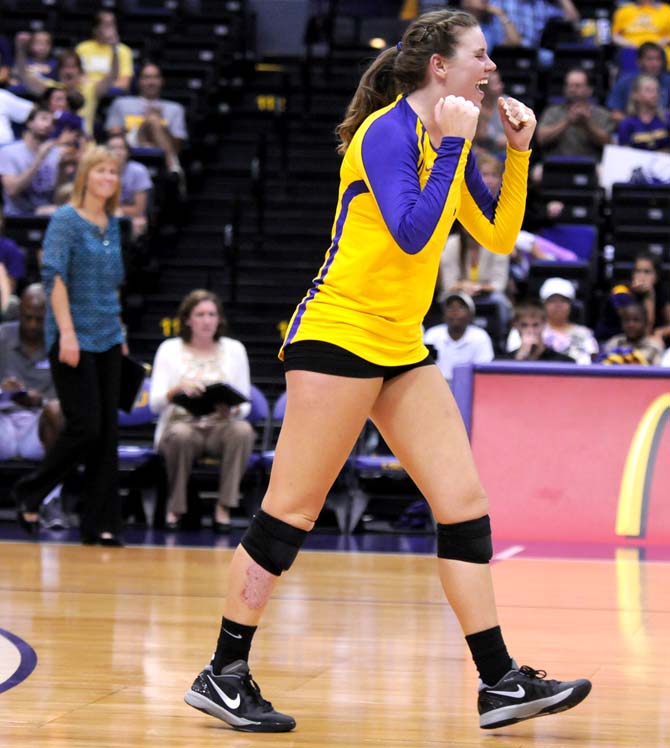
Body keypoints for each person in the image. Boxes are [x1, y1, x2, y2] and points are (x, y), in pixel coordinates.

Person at [183, 9, 590, 734]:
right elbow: (410, 236)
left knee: (463, 505)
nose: (491, 67)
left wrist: (516, 153)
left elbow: (495, 234)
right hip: (338, 337)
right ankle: (224, 671)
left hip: (400, 347)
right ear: (442, 67)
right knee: (290, 516)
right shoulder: (387, 133)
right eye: (479, 55)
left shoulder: (444, 139)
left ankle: (499, 682)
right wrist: (459, 147)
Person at [11, 145, 126, 546]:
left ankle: (99, 523)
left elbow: (113, 285)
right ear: (85, 176)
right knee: (85, 426)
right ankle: (31, 489)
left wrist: (122, 332)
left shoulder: (111, 223)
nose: (109, 178)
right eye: (102, 171)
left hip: (109, 336)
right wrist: (67, 333)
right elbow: (54, 277)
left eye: (114, 172)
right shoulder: (65, 219)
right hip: (72, 336)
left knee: (107, 432)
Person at [149, 290, 255, 531]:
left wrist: (233, 409)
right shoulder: (169, 349)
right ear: (187, 319)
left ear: (219, 319)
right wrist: (176, 390)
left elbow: (246, 403)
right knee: (181, 435)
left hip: (220, 424)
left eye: (212, 314)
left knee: (243, 430)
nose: (207, 320)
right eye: (200, 315)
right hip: (182, 423)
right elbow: (155, 403)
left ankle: (224, 508)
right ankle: (176, 509)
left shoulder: (235, 349)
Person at [0, 284, 62, 461]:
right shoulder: (2, 336)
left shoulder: (60, 344)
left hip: (39, 425)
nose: (32, 325)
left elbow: (69, 401)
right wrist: (3, 391)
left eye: (39, 319)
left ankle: (54, 486)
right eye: (28, 318)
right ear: (19, 312)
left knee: (55, 409)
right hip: (3, 422)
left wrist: (39, 399)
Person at [105, 62, 188, 174]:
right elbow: (113, 134)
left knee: (154, 120)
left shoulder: (175, 108)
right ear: (139, 81)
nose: (151, 82)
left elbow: (177, 147)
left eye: (155, 77)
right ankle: (173, 168)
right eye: (146, 77)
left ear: (162, 81)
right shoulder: (121, 103)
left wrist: (160, 126)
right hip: (131, 141)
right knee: (152, 119)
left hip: (162, 146)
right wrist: (146, 124)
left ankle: (170, 166)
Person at [506, 277, 598, 364]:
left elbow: (594, 361)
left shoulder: (584, 333)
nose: (558, 305)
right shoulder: (526, 329)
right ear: (543, 304)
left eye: (563, 300)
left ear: (571, 304)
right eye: (552, 301)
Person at [536, 68, 612, 160]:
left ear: (589, 90)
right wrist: (567, 121)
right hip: (556, 163)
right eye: (569, 85)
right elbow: (541, 138)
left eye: (577, 86)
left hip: (591, 164)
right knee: (537, 173)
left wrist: (586, 123)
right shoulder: (552, 111)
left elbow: (608, 143)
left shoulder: (602, 114)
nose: (572, 89)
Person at [0, 106, 61, 217]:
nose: (48, 124)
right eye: (43, 119)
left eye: (52, 122)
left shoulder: (56, 153)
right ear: (29, 123)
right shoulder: (8, 152)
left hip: (48, 215)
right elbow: (12, 190)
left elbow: (58, 191)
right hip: (16, 218)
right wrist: (38, 159)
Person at [595, 252, 670, 341]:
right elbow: (642, 332)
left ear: (657, 276)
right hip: (613, 340)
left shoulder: (662, 292)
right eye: (637, 271)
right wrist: (649, 296)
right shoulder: (621, 291)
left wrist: (661, 332)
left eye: (647, 272)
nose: (641, 276)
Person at [424, 291, 494, 383]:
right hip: (436, 386)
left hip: (469, 387)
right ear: (443, 314)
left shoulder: (480, 336)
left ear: (471, 314)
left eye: (461, 307)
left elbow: (483, 370)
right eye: (450, 307)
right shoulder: (432, 334)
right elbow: (425, 370)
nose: (455, 311)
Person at [607, 42, 670, 123]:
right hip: (634, 131)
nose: (655, 64)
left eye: (658, 59)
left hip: (663, 127)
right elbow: (615, 114)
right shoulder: (625, 82)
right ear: (639, 62)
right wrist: (639, 125)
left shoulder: (668, 81)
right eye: (650, 59)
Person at [106, 133, 153, 238]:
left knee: (136, 225)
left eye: (121, 148)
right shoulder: (101, 172)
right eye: (112, 148)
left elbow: (139, 210)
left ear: (127, 152)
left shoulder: (138, 171)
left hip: (132, 218)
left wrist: (116, 210)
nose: (117, 152)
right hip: (106, 215)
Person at [75, 11, 133, 93]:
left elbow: (125, 83)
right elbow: (78, 78)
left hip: (111, 96)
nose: (111, 29)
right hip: (85, 93)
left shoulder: (124, 51)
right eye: (106, 25)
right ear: (95, 29)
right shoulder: (82, 48)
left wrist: (102, 87)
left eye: (112, 24)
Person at [499, 301, 576, 362]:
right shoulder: (501, 363)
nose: (530, 331)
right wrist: (520, 358)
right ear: (515, 326)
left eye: (535, 325)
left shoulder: (563, 362)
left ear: (544, 324)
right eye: (524, 325)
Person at [601, 302, 665, 364]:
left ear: (645, 323)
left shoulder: (654, 347)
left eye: (636, 320)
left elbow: (659, 371)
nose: (631, 325)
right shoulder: (613, 343)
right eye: (627, 320)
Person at [617, 74, 670, 150]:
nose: (654, 94)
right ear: (635, 95)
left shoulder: (666, 118)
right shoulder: (627, 124)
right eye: (649, 90)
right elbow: (624, 154)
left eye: (656, 90)